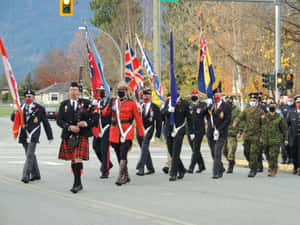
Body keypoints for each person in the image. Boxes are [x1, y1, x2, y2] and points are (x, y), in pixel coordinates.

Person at [57, 81, 96, 193]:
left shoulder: (86, 103)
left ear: (79, 92)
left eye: (75, 90)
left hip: (82, 135)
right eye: (71, 90)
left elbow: (95, 117)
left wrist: (86, 123)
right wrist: (69, 127)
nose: (72, 92)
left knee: (78, 157)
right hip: (69, 135)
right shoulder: (64, 104)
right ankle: (78, 182)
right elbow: (59, 120)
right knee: (73, 160)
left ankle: (77, 184)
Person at [102, 81, 144, 185]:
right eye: (119, 91)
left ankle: (120, 176)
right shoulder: (114, 102)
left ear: (127, 91)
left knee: (123, 152)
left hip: (126, 131)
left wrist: (141, 133)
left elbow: (138, 119)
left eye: (123, 91)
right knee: (118, 153)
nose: (121, 92)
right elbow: (104, 113)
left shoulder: (132, 103)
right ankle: (126, 175)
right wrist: (109, 104)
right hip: (115, 131)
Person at [17, 89, 53, 183]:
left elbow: (45, 123)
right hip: (24, 134)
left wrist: (49, 136)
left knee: (29, 155)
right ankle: (36, 174)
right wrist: (15, 113)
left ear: (33, 97)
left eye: (29, 97)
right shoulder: (21, 107)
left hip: (34, 134)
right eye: (26, 97)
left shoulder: (39, 108)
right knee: (30, 154)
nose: (27, 98)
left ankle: (26, 175)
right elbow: (14, 119)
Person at [161, 88, 194, 181]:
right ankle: (182, 169)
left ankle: (173, 173)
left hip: (179, 129)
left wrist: (191, 132)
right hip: (169, 129)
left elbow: (189, 119)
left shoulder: (185, 103)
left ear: (180, 93)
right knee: (171, 151)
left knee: (176, 152)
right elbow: (162, 113)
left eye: (177, 92)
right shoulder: (168, 102)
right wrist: (169, 110)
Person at [234, 93, 265, 177]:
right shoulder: (246, 110)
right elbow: (240, 117)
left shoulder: (260, 112)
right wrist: (236, 122)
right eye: (251, 100)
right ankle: (253, 164)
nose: (252, 102)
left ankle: (253, 169)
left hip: (256, 135)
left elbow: (264, 125)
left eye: (254, 101)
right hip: (247, 135)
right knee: (246, 152)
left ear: (257, 101)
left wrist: (262, 136)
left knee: (253, 153)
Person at [206, 86, 232, 179]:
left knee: (217, 152)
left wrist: (219, 129)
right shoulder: (211, 106)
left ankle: (216, 172)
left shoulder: (226, 106)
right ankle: (220, 167)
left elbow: (228, 119)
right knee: (213, 153)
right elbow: (204, 115)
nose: (216, 95)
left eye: (218, 94)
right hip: (211, 133)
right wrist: (207, 106)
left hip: (221, 133)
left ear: (221, 95)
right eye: (215, 94)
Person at [136, 89, 162, 176]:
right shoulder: (139, 105)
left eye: (147, 96)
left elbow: (158, 121)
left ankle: (141, 167)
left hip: (149, 129)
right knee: (144, 149)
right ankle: (150, 168)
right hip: (139, 130)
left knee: (144, 147)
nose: (145, 97)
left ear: (151, 97)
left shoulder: (155, 107)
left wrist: (158, 133)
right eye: (144, 96)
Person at [92, 85, 113, 179]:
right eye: (100, 90)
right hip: (98, 128)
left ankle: (105, 171)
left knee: (105, 149)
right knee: (96, 147)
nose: (101, 92)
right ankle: (108, 163)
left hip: (107, 127)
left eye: (103, 91)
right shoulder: (97, 102)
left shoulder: (111, 102)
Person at [262, 100, 288, 177]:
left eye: (273, 106)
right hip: (266, 139)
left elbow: (284, 129)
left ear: (276, 107)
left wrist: (286, 139)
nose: (272, 107)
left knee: (273, 155)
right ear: (268, 107)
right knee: (267, 154)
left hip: (276, 140)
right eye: (270, 106)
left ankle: (273, 169)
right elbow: (261, 127)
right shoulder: (265, 117)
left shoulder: (279, 118)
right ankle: (271, 165)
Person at [187, 89, 208, 174]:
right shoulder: (189, 105)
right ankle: (201, 165)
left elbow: (204, 112)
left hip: (199, 130)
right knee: (194, 149)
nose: (194, 96)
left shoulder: (203, 104)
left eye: (196, 95)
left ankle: (191, 167)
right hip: (190, 130)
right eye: (193, 95)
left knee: (196, 148)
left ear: (199, 96)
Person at [223, 96, 242, 174]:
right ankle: (231, 161)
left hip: (232, 133)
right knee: (224, 151)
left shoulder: (236, 110)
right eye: (227, 99)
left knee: (231, 150)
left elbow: (241, 121)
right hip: (223, 133)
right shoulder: (222, 109)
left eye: (230, 99)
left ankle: (230, 165)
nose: (228, 100)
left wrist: (240, 132)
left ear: (232, 100)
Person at [286, 95, 300, 175]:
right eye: (297, 102)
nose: (299, 104)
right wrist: (286, 137)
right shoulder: (291, 112)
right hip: (293, 137)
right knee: (294, 153)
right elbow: (287, 125)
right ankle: (295, 167)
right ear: (295, 103)